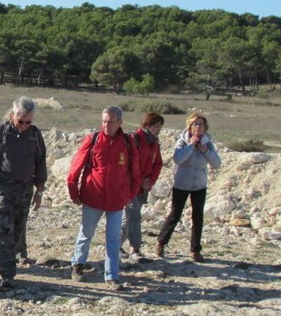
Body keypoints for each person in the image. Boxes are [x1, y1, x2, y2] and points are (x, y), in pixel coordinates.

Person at [67, 106, 140, 290]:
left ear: (119, 122)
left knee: (113, 238)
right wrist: (73, 191)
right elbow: (76, 166)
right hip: (93, 197)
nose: (106, 125)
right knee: (86, 233)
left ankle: (112, 276)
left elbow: (135, 172)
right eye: (104, 121)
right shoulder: (92, 140)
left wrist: (130, 194)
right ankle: (78, 265)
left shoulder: (127, 143)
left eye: (110, 122)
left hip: (116, 199)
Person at [0, 97, 47, 289]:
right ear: (13, 115)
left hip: (25, 188)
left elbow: (41, 162)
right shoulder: (0, 132)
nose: (24, 125)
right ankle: (6, 272)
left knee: (18, 228)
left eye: (28, 121)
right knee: (4, 227)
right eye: (21, 121)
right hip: (3, 186)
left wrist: (39, 191)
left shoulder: (35, 135)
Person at [156, 112, 222, 262]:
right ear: (189, 126)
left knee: (198, 217)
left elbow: (217, 164)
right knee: (175, 215)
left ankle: (195, 250)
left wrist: (206, 151)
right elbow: (178, 158)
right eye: (195, 124)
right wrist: (191, 145)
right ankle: (161, 242)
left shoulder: (208, 143)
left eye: (200, 124)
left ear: (205, 127)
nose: (197, 127)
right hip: (181, 183)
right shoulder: (183, 141)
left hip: (199, 185)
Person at [121, 112, 164, 260]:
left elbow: (158, 163)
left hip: (142, 187)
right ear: (147, 125)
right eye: (155, 125)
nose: (158, 129)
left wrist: (150, 180)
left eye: (160, 126)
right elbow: (128, 164)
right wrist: (141, 180)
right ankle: (134, 249)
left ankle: (116, 246)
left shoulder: (155, 143)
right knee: (133, 217)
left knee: (129, 218)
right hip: (130, 185)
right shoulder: (135, 139)